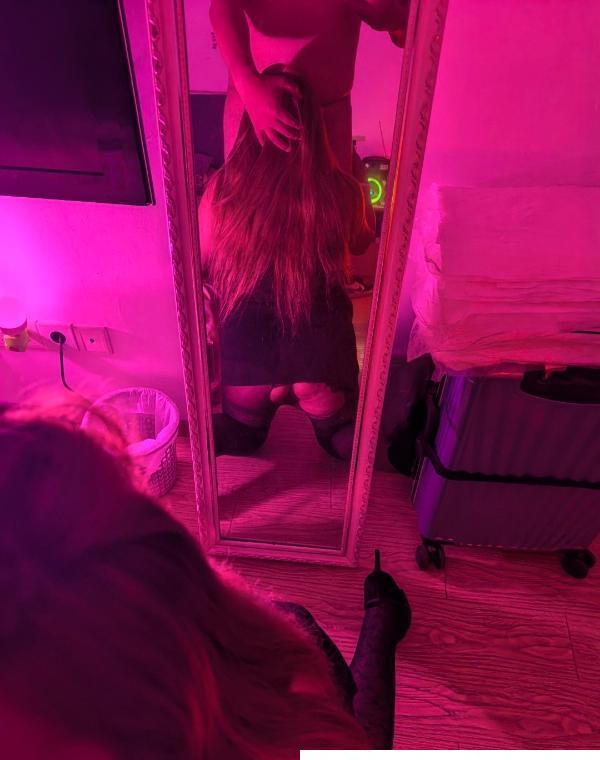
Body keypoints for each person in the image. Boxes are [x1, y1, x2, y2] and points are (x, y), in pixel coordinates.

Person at [199, 71, 374, 459]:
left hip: (250, 357)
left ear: (250, 124)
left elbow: (203, 260)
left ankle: (219, 441)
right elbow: (364, 242)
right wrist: (356, 175)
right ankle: (352, 446)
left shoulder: (221, 190)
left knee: (241, 434)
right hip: (320, 356)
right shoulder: (342, 190)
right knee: (341, 434)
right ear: (315, 129)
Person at [208, 0, 411, 168]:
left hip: (329, 120)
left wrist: (392, 17)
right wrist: (246, 82)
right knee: (242, 201)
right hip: (255, 110)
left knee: (335, 202)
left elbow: (411, 32)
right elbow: (222, 6)